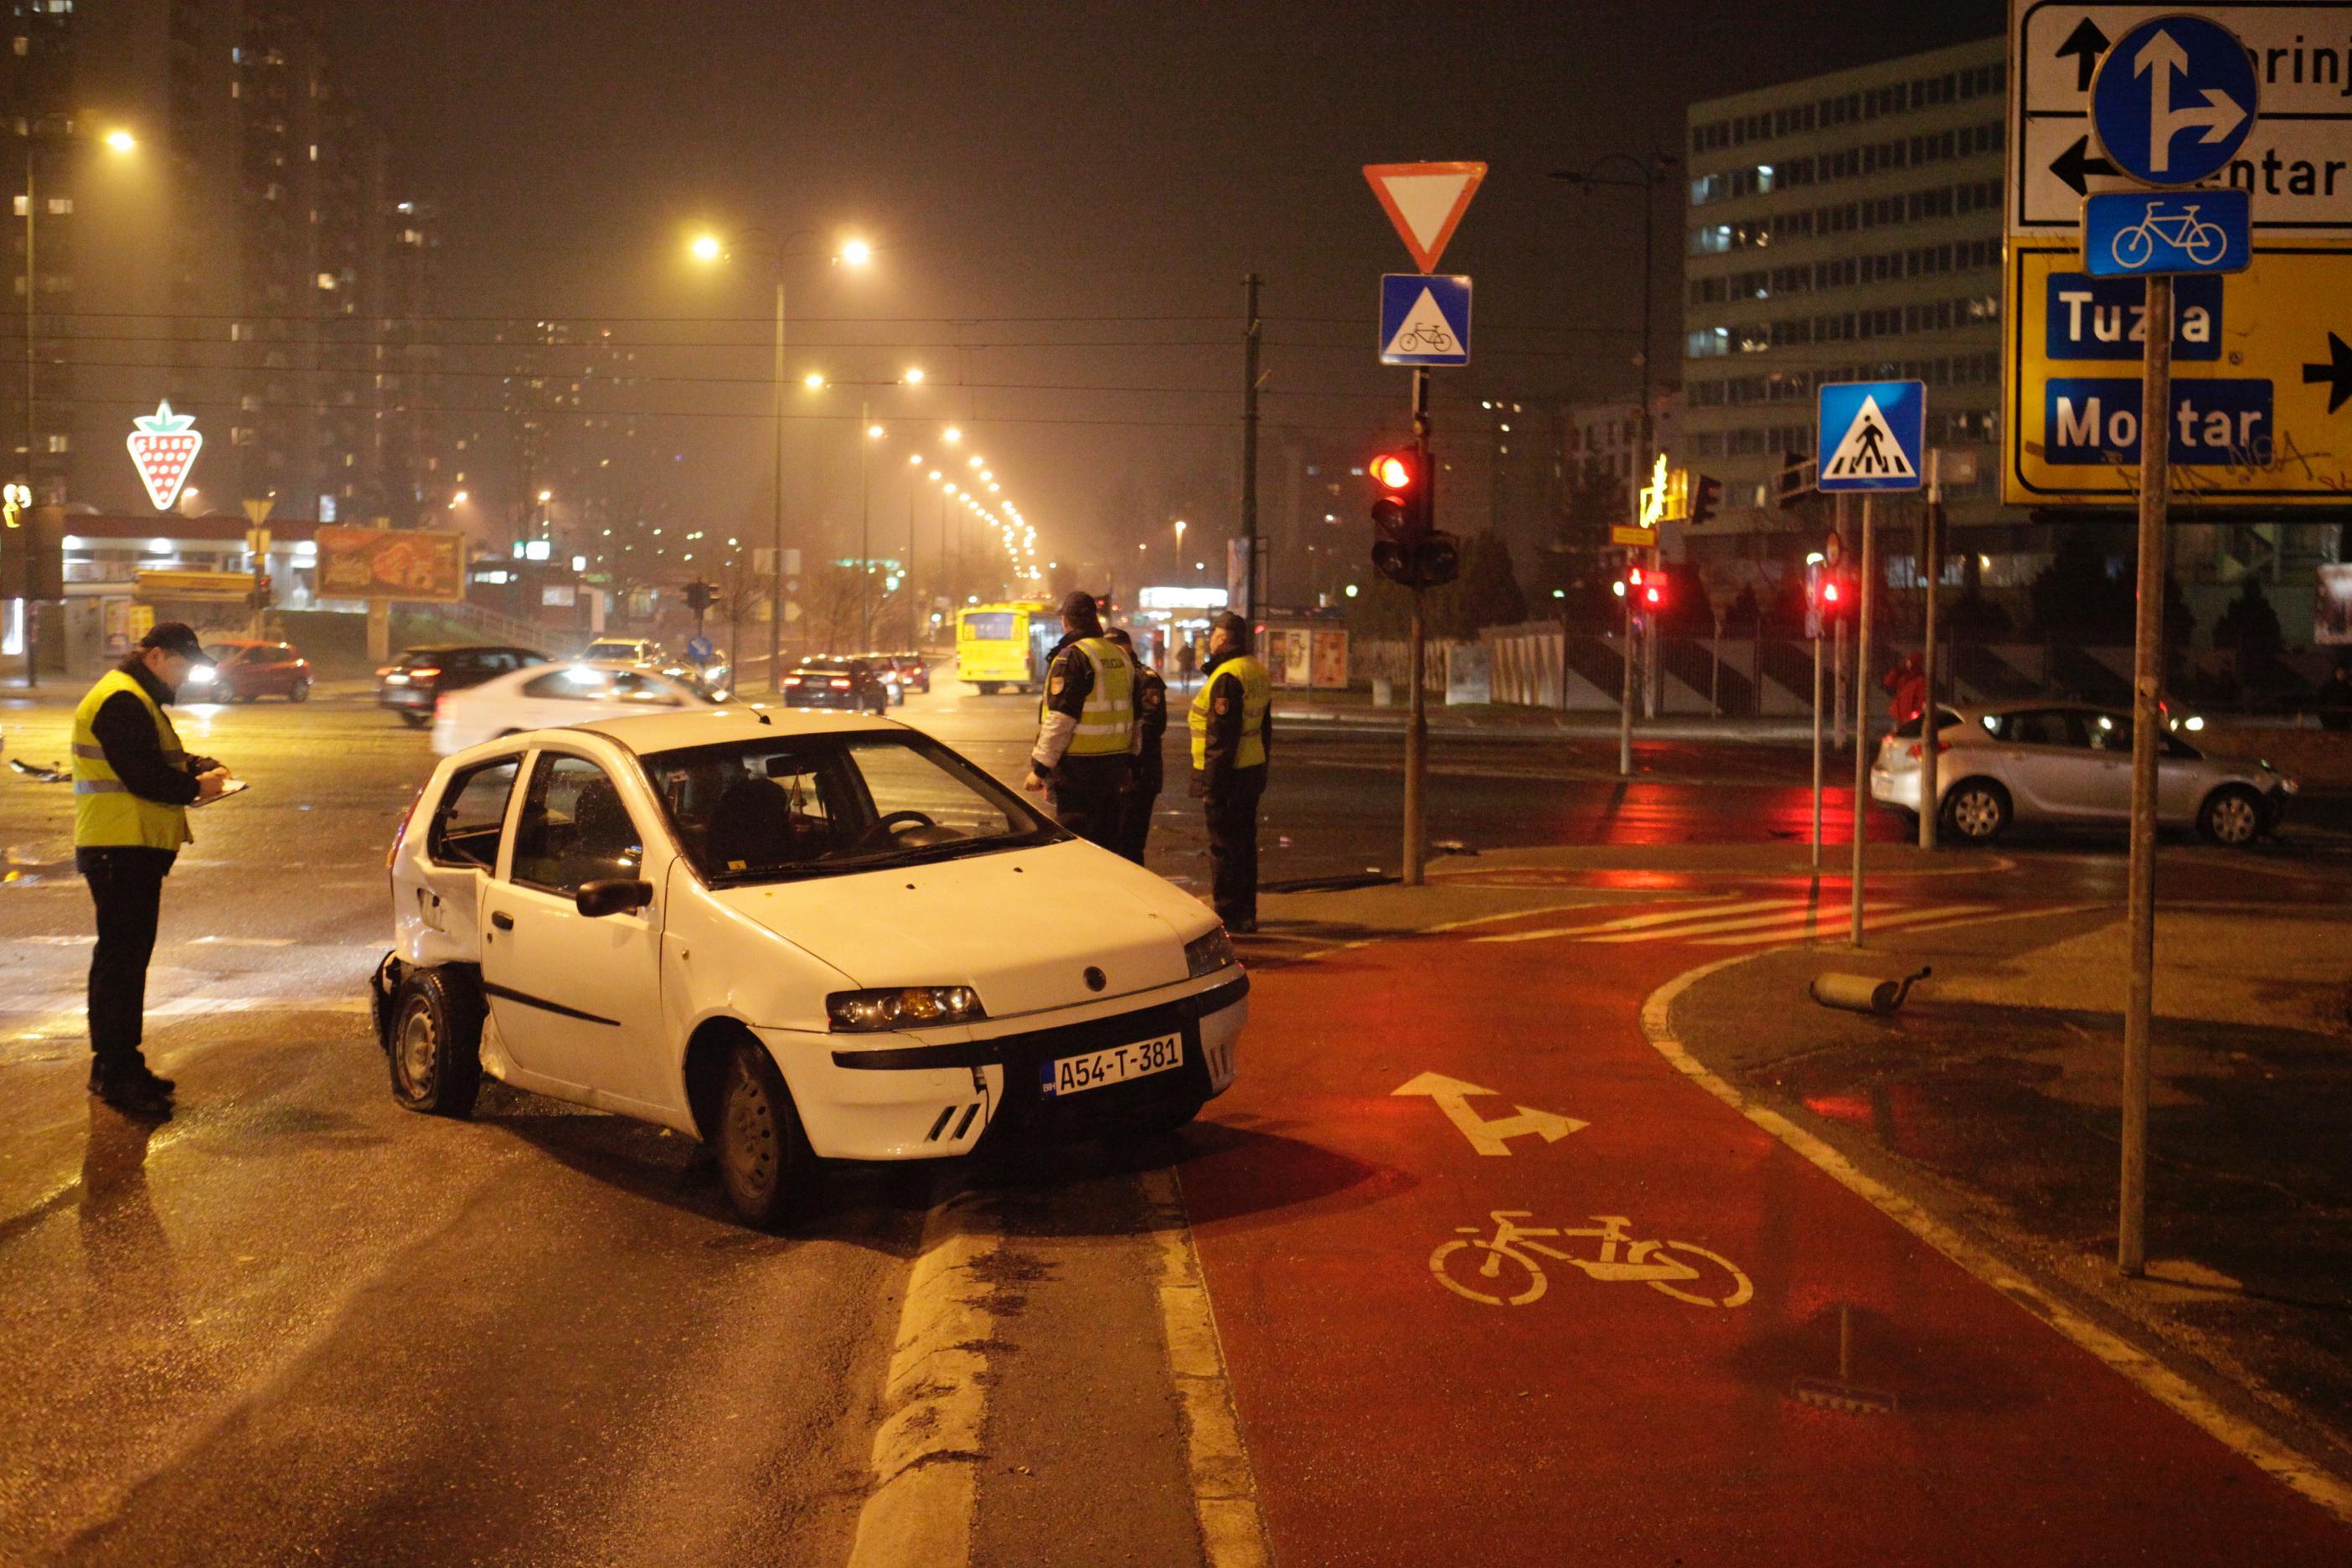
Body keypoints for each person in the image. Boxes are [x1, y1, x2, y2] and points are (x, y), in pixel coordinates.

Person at [72, 623, 230, 1117]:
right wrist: (198, 789)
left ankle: (119, 1066)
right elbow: (145, 777)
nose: (184, 678)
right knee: (121, 965)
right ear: (157, 657)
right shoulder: (121, 700)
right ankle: (118, 1076)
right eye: (183, 666)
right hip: (120, 849)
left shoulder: (135, 698)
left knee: (123, 962)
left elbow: (160, 755)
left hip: (128, 850)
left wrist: (199, 764)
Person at [1021, 591, 1137, 848]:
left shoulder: (1073, 657)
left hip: (1078, 772)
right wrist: (1129, 762)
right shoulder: (1120, 656)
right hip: (1114, 766)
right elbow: (1136, 715)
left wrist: (1040, 768)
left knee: (1077, 845)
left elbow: (1061, 718)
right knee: (1107, 845)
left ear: (1066, 621)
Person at [1189, 611, 1272, 933]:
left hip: (1228, 776)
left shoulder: (1227, 676)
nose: (1209, 641)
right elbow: (1264, 729)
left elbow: (1221, 738)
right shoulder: (1256, 671)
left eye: (1212, 635)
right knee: (1244, 846)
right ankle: (1246, 912)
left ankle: (1228, 915)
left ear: (1223, 639)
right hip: (1250, 771)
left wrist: (1212, 784)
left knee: (1223, 847)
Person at [1104, 627, 1166, 864]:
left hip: (1139, 775)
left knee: (1129, 844)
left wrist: (1128, 762)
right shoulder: (1114, 676)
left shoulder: (1143, 678)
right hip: (1118, 773)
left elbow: (1152, 726)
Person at [1884, 651, 1926, 727]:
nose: (1907, 663)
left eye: (1909, 661)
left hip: (1909, 716)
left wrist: (1915, 713)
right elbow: (1888, 681)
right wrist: (1898, 670)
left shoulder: (1920, 680)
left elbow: (1921, 699)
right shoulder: (1904, 675)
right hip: (1899, 714)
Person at [2319, 663, 2352, 733]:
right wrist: (2324, 719)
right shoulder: (2327, 687)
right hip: (2330, 720)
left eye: (2344, 672)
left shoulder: (2348, 688)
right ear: (2336, 672)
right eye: (2341, 672)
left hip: (2344, 722)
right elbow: (2321, 702)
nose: (2342, 674)